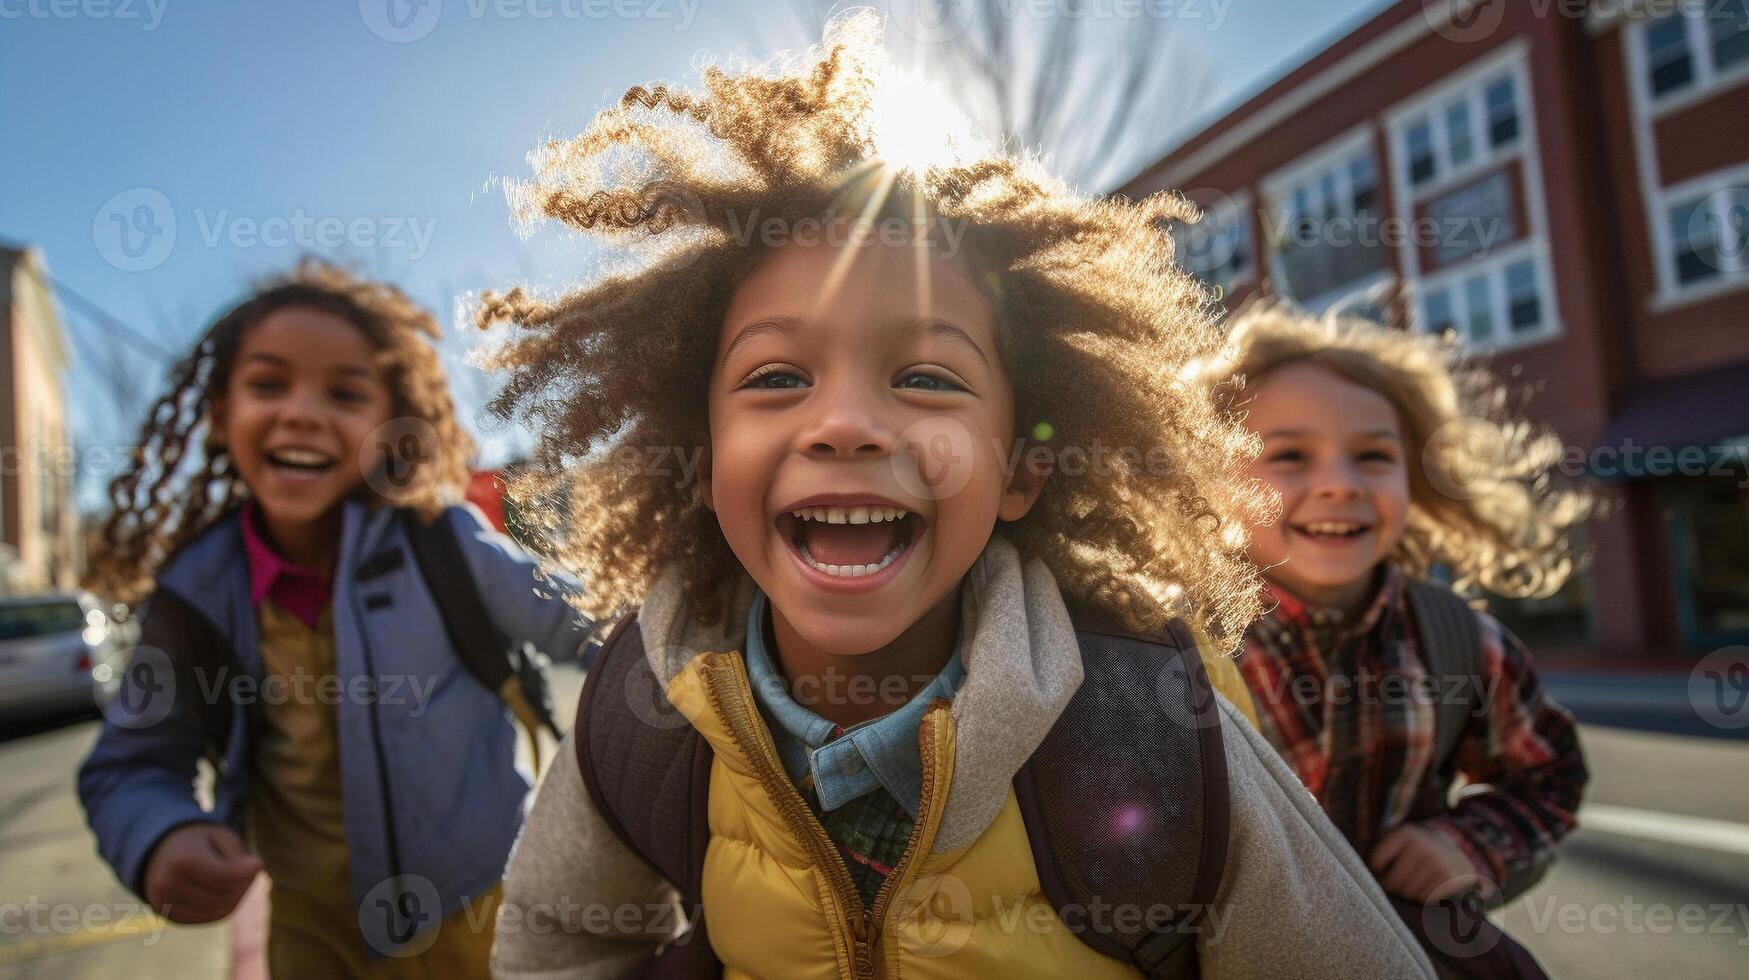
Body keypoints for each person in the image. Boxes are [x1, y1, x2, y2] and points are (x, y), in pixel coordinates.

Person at [484, 13, 1431, 979]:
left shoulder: (1154, 721)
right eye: (775, 378)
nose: (844, 424)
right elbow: (562, 939)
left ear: (1021, 467)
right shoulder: (645, 701)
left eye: (928, 378)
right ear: (704, 455)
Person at [79, 259, 590, 978]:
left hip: (482, 909)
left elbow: (583, 624)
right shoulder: (195, 591)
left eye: (346, 393)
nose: (303, 412)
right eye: (268, 384)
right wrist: (161, 835)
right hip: (313, 930)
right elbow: (131, 764)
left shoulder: (440, 542)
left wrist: (709, 630)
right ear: (221, 417)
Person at [1211, 302, 1594, 977]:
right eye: (1290, 455)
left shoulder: (1459, 641)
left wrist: (1467, 842)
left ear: (1414, 479)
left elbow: (1550, 772)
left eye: (1373, 456)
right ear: (1215, 476)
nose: (1338, 483)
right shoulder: (1177, 641)